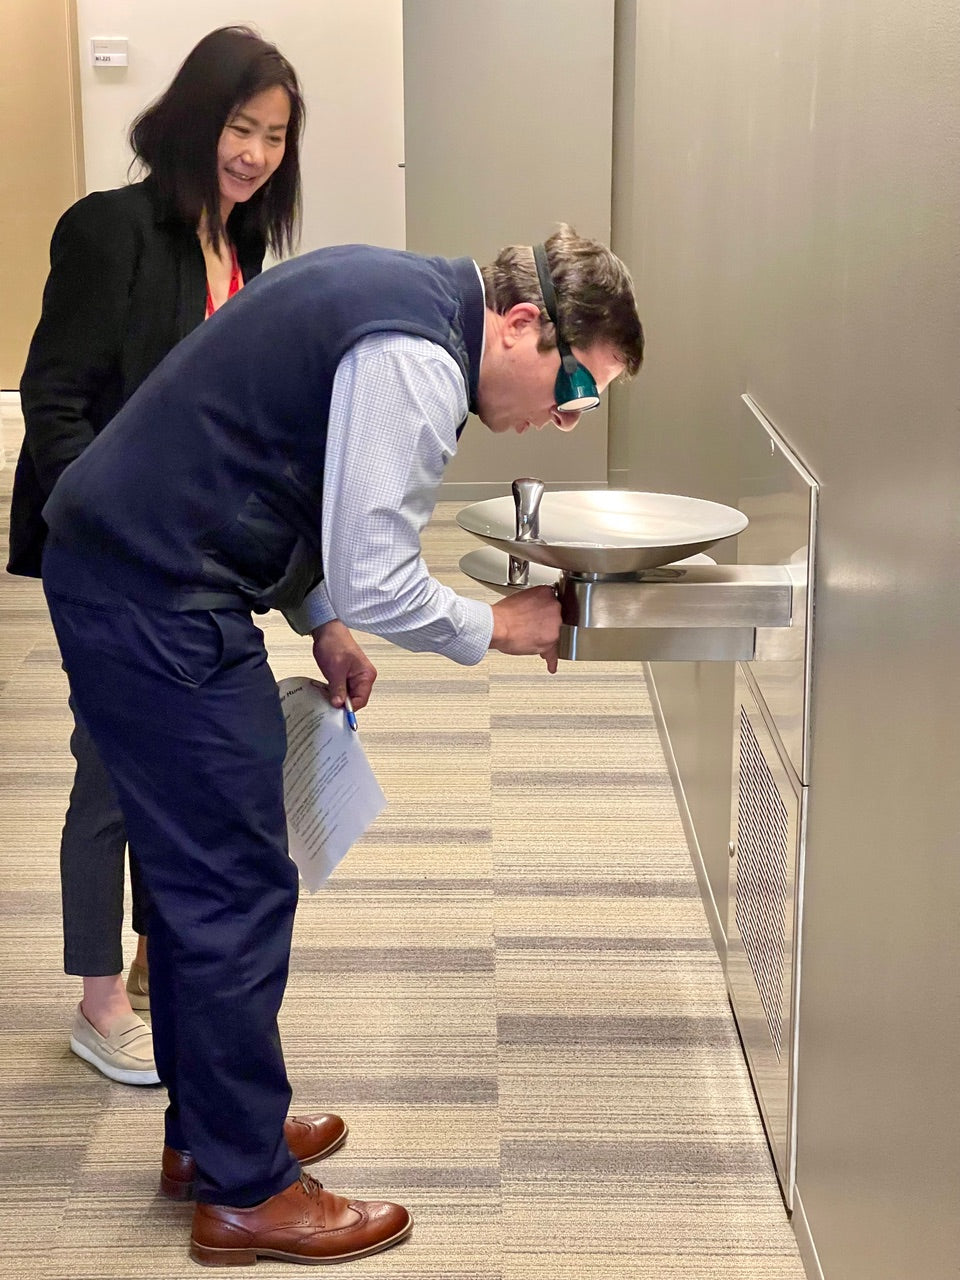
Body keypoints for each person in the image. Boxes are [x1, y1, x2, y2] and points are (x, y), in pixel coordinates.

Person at [39, 223, 644, 1266]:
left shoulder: (398, 296)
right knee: (235, 882)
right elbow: (382, 574)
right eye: (578, 389)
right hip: (157, 595)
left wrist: (319, 617)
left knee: (202, 878)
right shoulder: (415, 356)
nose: (563, 420)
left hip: (140, 572)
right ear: (523, 324)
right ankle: (246, 1194)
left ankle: (211, 1138)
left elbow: (274, 463)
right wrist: (507, 625)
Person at [7, 26, 310, 1089]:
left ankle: (148, 960)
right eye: (240, 126)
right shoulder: (112, 230)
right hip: (108, 557)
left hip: (190, 562)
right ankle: (98, 998)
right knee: (110, 767)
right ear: (194, 117)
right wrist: (105, 530)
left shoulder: (241, 249)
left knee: (170, 768)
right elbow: (53, 399)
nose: (257, 152)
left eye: (275, 135)